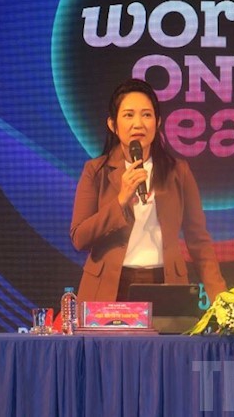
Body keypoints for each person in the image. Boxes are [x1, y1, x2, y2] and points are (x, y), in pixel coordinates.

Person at [70, 78, 226, 303]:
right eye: (128, 115)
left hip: (165, 284)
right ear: (113, 125)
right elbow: (79, 238)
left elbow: (198, 240)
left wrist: (222, 300)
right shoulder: (95, 171)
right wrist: (120, 200)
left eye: (146, 115)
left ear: (158, 122)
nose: (138, 124)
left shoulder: (178, 171)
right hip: (109, 288)